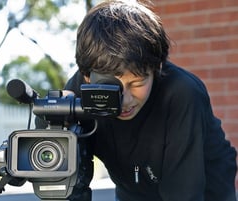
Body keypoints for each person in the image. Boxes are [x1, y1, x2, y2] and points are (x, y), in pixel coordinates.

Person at [62, 0, 237, 201]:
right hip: (134, 184)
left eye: (137, 83)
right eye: (112, 88)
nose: (125, 100)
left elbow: (184, 194)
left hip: (204, 185)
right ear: (87, 76)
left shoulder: (183, 93)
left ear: (157, 69)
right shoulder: (78, 91)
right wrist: (55, 121)